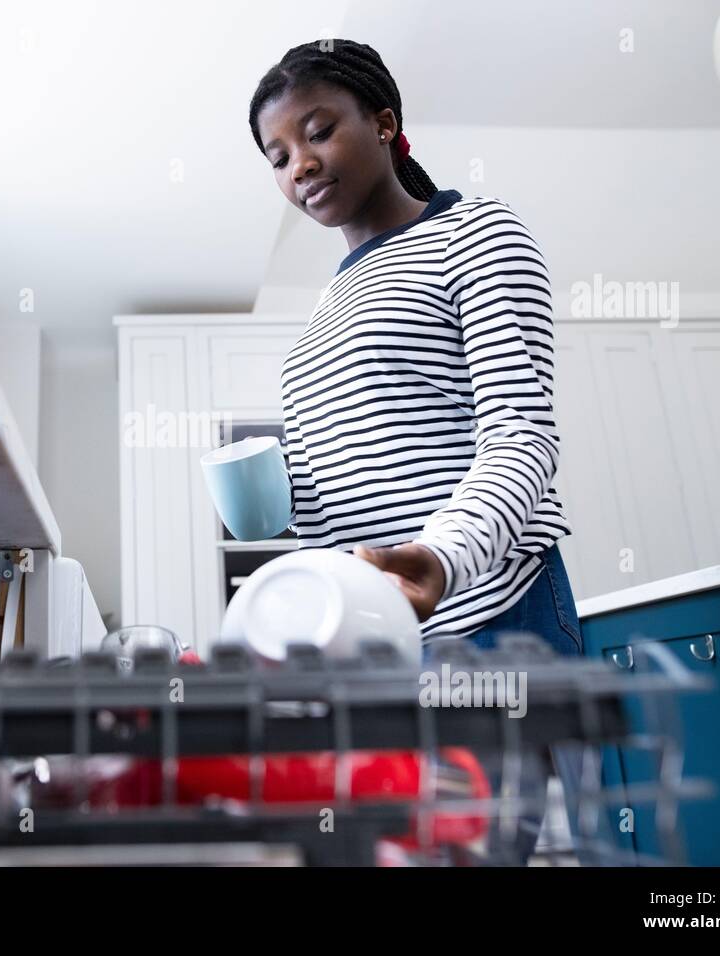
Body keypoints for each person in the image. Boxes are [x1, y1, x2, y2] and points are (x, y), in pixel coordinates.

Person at [250, 39, 584, 862]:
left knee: (466, 854)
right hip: (373, 646)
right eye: (278, 155)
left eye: (319, 131)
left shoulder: (475, 234)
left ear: (386, 122)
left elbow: (521, 435)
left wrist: (436, 559)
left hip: (483, 618)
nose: (300, 165)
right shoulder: (329, 304)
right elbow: (344, 489)